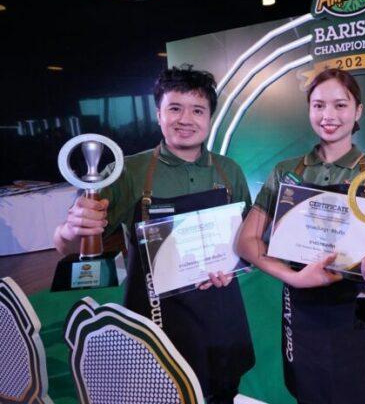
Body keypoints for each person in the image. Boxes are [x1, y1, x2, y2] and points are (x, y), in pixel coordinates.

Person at [53, 65, 255, 403]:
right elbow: (68, 246)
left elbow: (247, 240)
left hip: (220, 312)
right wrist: (71, 229)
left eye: (197, 110)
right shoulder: (126, 172)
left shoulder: (229, 170)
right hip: (156, 317)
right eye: (175, 108)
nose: (185, 119)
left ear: (209, 118)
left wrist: (236, 263)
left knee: (223, 391)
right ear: (158, 114)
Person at [237, 68, 365, 404]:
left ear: (358, 111)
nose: (329, 115)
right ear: (309, 110)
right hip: (303, 308)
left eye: (340, 105)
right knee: (310, 392)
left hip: (361, 302)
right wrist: (293, 277)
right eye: (318, 105)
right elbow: (246, 241)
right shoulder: (286, 172)